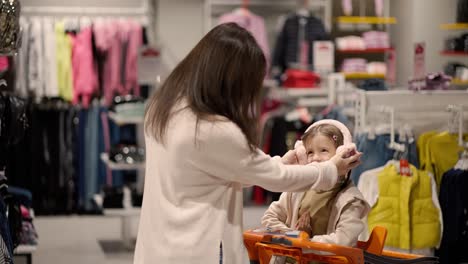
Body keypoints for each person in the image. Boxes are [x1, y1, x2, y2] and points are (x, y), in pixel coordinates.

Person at [133, 23, 361, 264]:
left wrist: (280, 162)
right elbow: (276, 178)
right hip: (201, 247)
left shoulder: (163, 108)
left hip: (159, 245)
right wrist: (331, 168)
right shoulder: (213, 128)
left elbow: (216, 171)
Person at [261, 120, 370, 264]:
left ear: (343, 154)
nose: (316, 158)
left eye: (323, 150)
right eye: (310, 152)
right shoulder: (297, 190)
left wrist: (305, 241)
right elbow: (269, 218)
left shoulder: (351, 200)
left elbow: (343, 241)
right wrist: (296, 236)